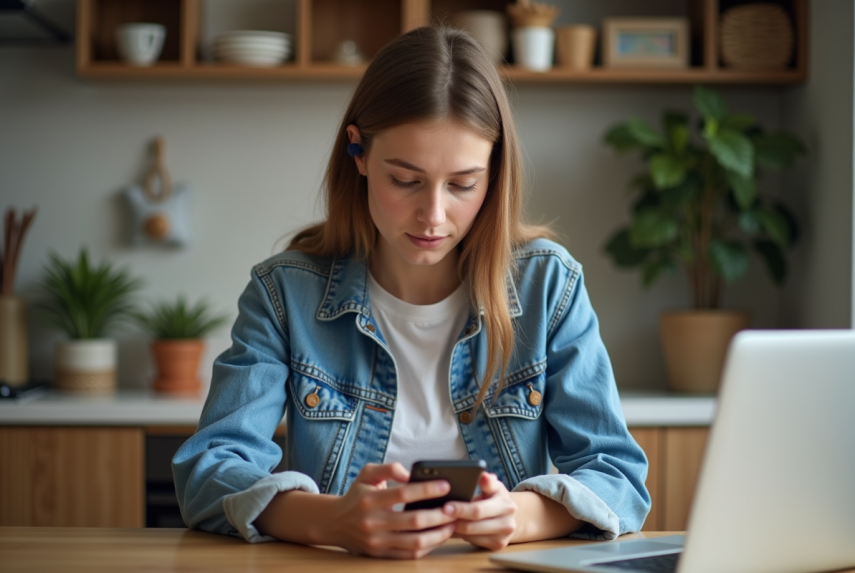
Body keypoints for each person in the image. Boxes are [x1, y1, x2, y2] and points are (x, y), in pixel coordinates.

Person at [172, 25, 649, 559]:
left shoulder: (548, 286)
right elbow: (207, 469)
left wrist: (517, 516)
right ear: (358, 153)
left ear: (494, 174)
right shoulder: (285, 293)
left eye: (463, 184)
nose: (434, 215)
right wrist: (333, 521)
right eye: (405, 180)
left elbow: (619, 477)